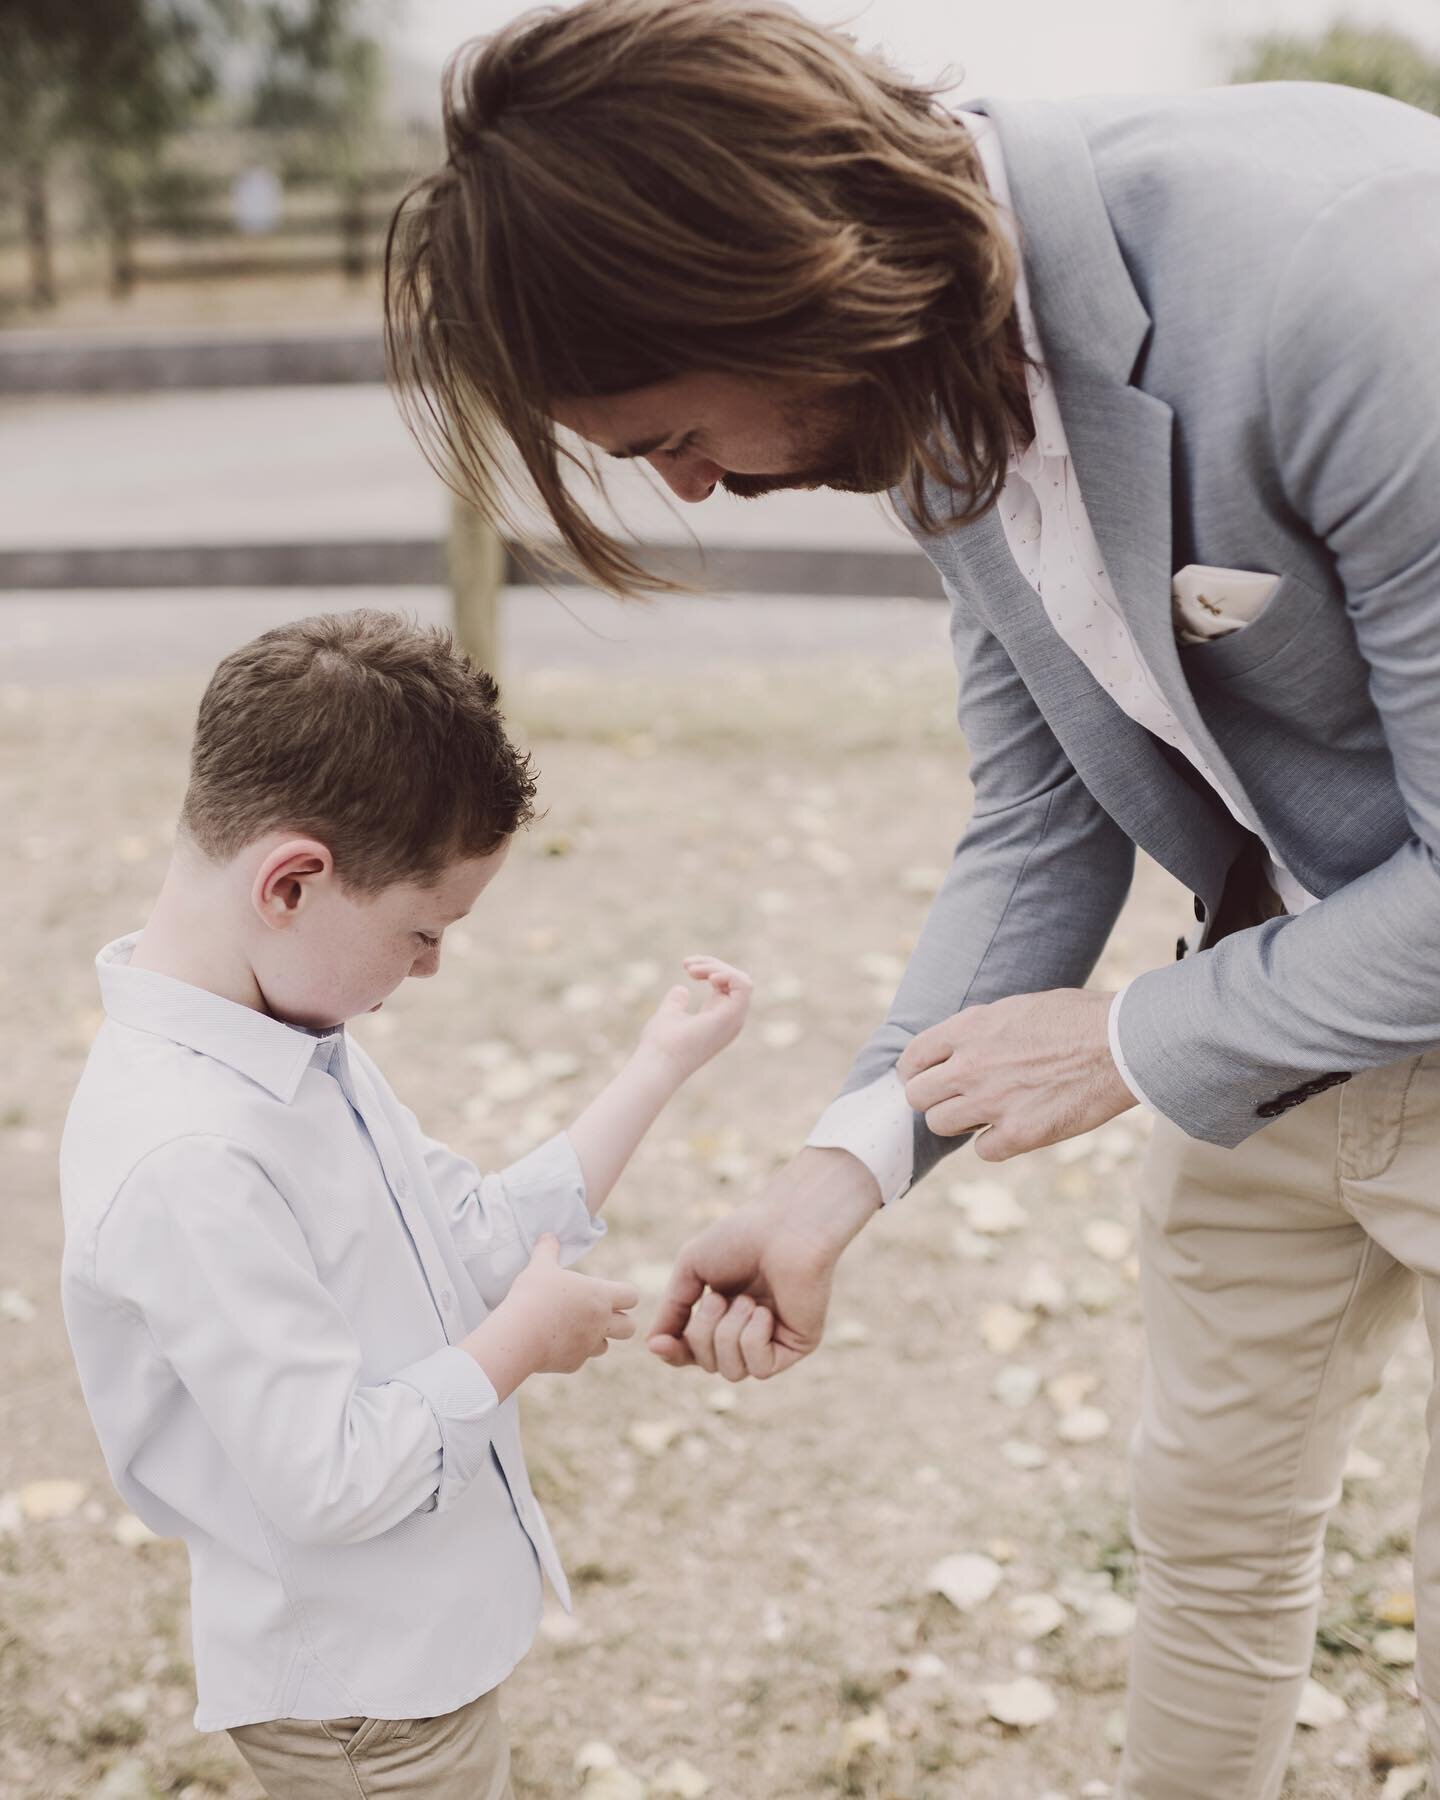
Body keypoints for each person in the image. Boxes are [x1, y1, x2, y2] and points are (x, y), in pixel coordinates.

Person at [383, 2, 1440, 1793]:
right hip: (1267, 1034)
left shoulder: (1349, 276)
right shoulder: (929, 381)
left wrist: (1124, 1038)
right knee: (1211, 1543)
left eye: (666, 430)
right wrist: (839, 1170)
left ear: (774, 284)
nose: (697, 484)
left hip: (1278, 1002)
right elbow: (1040, 825)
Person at [58, 609, 752, 1800]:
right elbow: (324, 1476)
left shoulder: (295, 1037)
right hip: (360, 1709)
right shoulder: (190, 1158)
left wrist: (656, 1068)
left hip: (413, 1661)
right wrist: (513, 1349)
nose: (429, 969)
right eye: (422, 933)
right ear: (293, 881)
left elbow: (473, 1232)